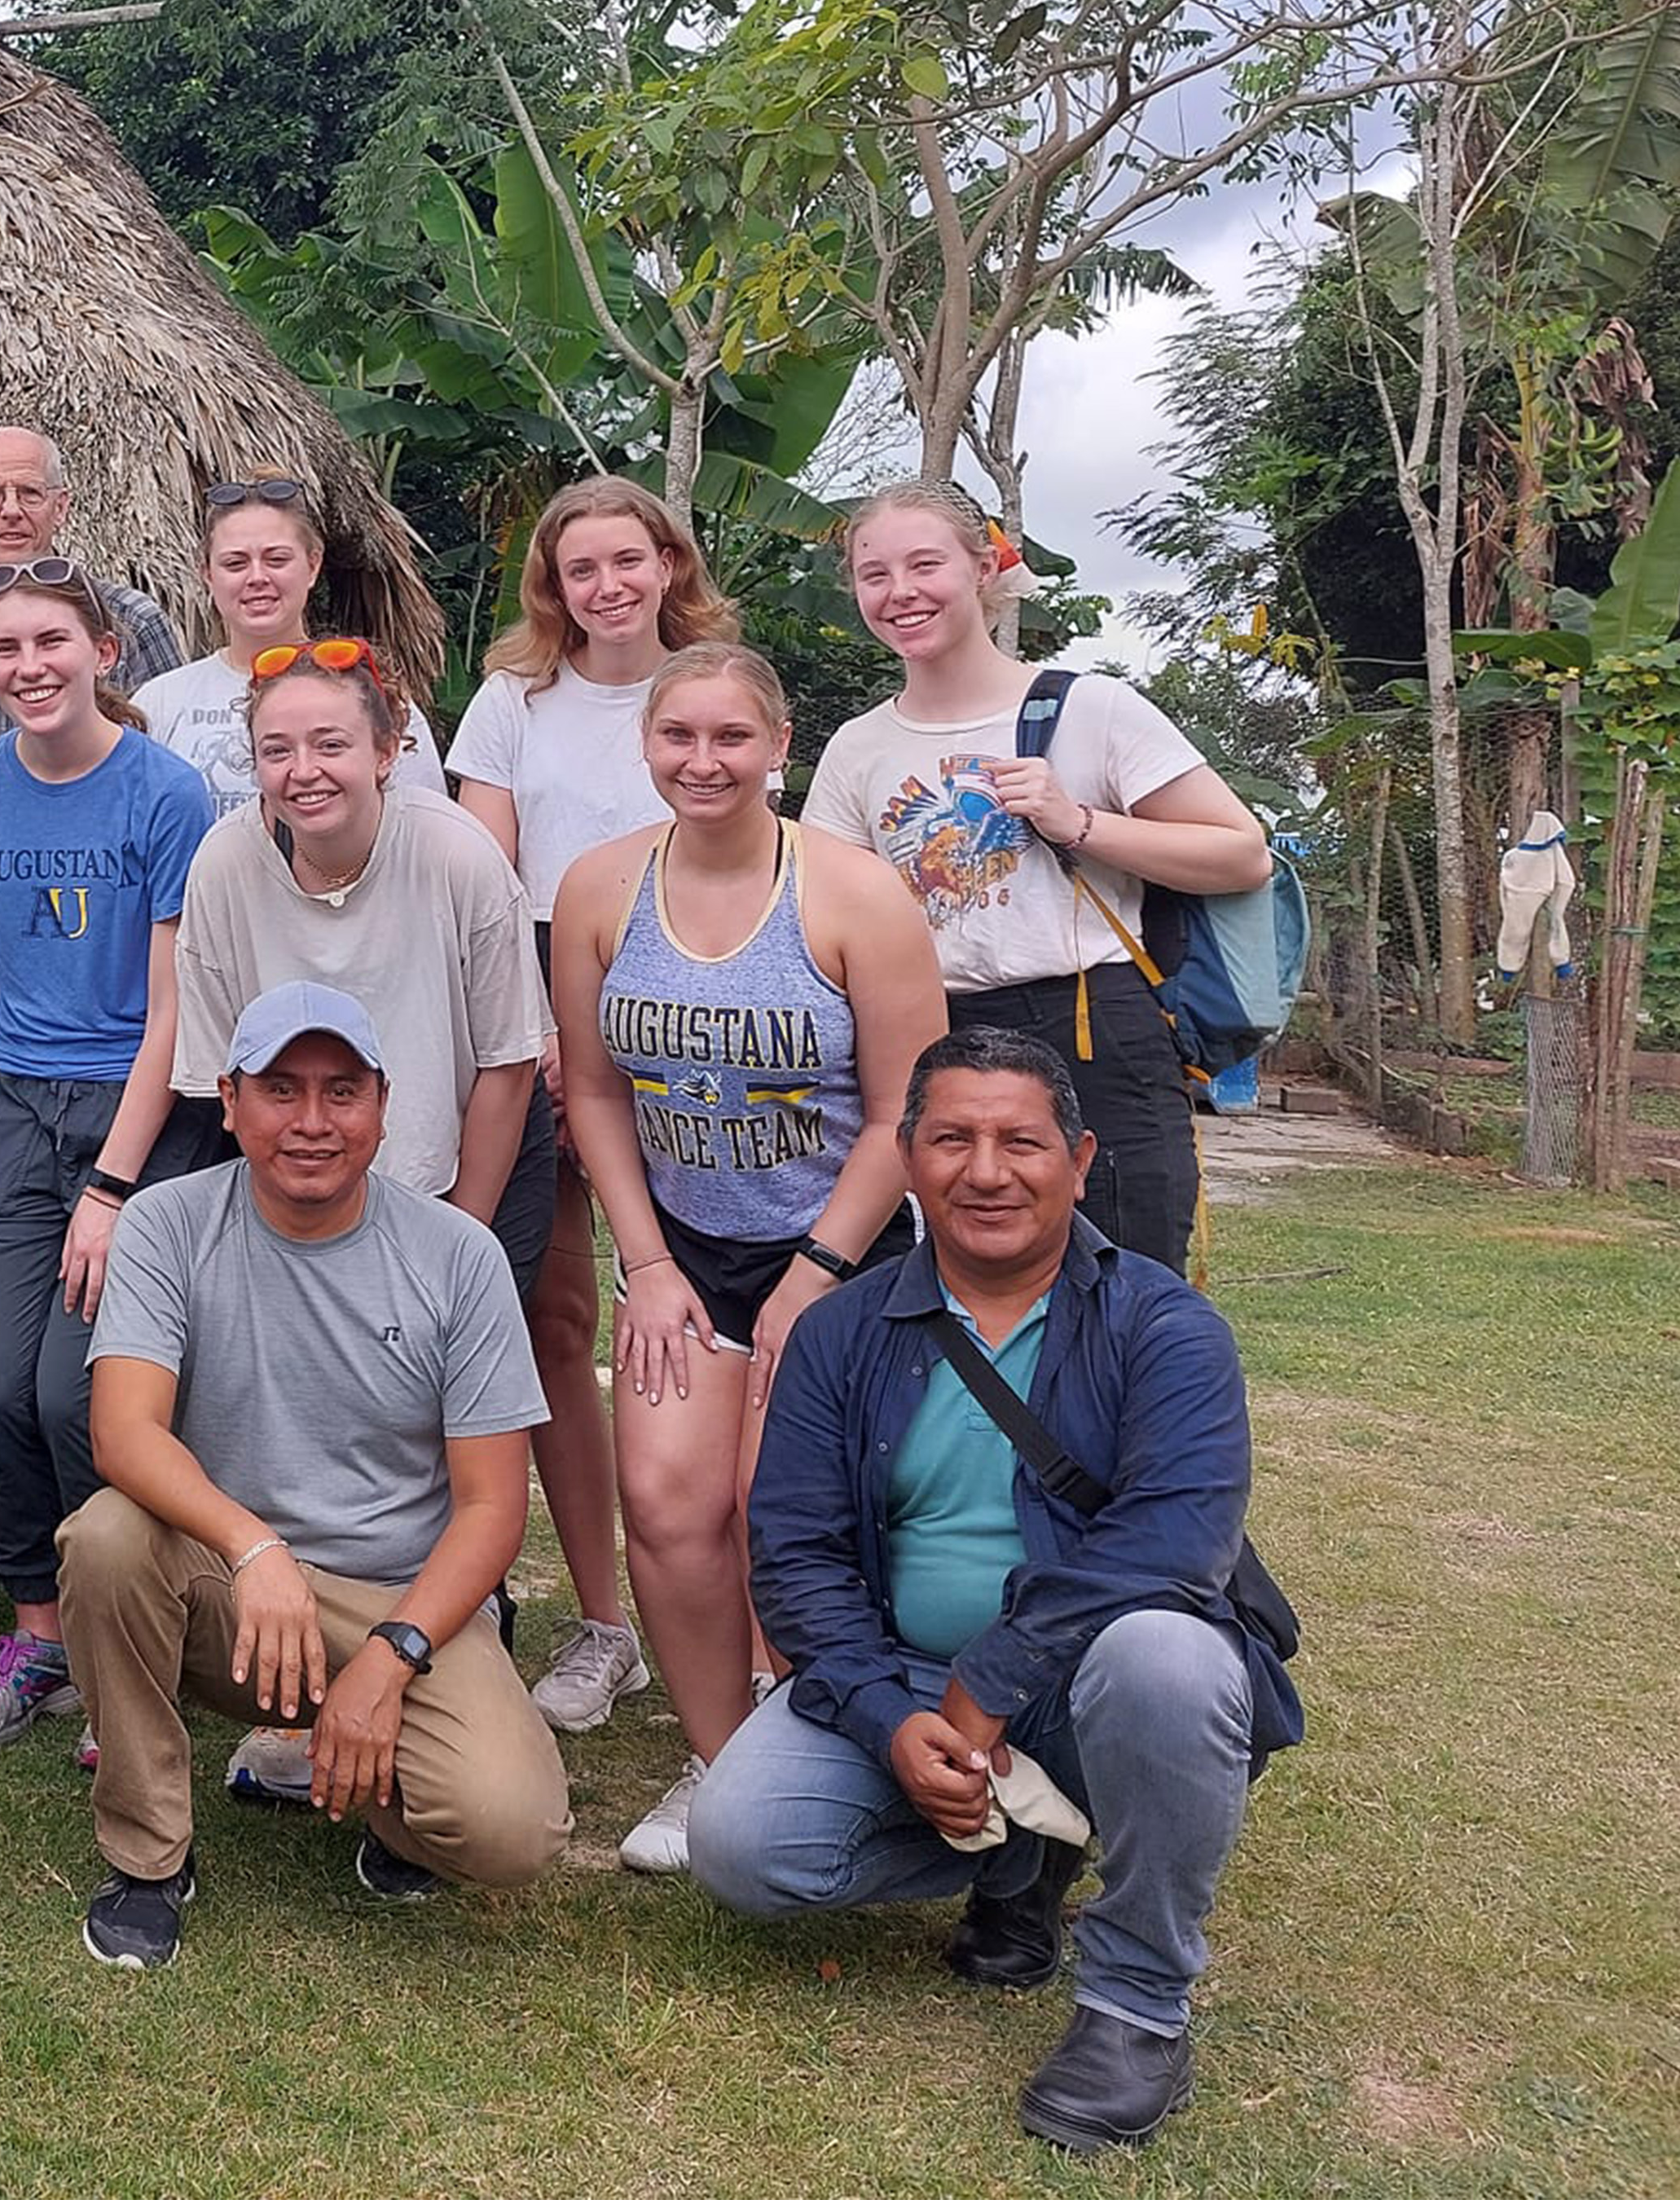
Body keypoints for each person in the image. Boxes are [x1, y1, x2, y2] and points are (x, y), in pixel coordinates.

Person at [691, 1026, 1302, 2154]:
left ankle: (1137, 2008)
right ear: (908, 1158)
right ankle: (1020, 1851)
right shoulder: (839, 1333)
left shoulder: (1164, 1326)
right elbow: (796, 1554)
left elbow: (1174, 1540)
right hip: (907, 1676)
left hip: (1090, 1687)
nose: (986, 1170)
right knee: (742, 1845)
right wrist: (892, 1720)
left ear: (1078, 1160)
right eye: (952, 1140)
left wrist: (989, 1682)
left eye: (1020, 1142)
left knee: (1164, 1660)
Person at [68, 983, 569, 1968]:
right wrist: (255, 1549)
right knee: (106, 1537)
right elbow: (123, 1435)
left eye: (342, 1092)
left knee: (514, 1828)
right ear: (229, 1099)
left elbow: (492, 1508)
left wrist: (387, 1661)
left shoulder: (458, 1256)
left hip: (400, 1598)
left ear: (384, 1105)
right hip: (229, 1587)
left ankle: (381, 1800)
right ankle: (150, 1855)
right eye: (280, 1089)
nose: (310, 1122)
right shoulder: (168, 1224)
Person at [553, 641, 948, 1872]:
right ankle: (720, 1760)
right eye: (680, 738)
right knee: (669, 1506)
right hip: (687, 1251)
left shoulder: (855, 896)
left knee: (776, 1512)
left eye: (733, 739)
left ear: (782, 748)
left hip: (844, 1253)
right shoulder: (599, 890)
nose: (704, 762)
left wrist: (815, 1276)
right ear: (648, 746)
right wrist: (647, 1261)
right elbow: (599, 1094)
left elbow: (906, 1114)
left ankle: (811, 1736)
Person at [164, 639, 544, 1802]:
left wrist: (460, 1236)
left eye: (332, 743)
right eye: (277, 749)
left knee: (434, 1452)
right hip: (288, 1181)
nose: (304, 770)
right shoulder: (226, 861)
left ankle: (442, 1653)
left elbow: (505, 1058)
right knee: (296, 1438)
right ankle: (293, 1695)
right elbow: (222, 1061)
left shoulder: (457, 854)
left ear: (390, 750)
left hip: (441, 1181)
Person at [807, 479, 1272, 1276]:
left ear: (984, 567)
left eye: (926, 565)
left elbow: (1242, 852)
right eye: (874, 574)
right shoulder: (859, 748)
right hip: (929, 1038)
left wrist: (1077, 822)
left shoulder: (1089, 709)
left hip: (1094, 1025)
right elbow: (818, 918)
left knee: (1128, 1294)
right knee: (955, 1301)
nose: (900, 593)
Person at [452, 477, 741, 1738]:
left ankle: (743, 1613)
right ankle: (604, 1621)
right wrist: (553, 1048)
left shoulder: (716, 687)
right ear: (552, 585)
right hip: (536, 1016)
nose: (608, 586)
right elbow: (482, 876)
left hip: (700, 1021)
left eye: (630, 560)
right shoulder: (514, 703)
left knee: (709, 1318)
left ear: (668, 563)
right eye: (582, 569)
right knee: (556, 1319)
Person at [0, 557, 222, 1746]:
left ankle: (121, 1641)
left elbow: (173, 1010)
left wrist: (109, 1184)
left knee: (76, 1391)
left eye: (53, 642)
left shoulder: (167, 792)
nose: (30, 668)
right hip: (15, 1110)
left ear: (106, 651)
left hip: (139, 1111)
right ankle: (39, 1633)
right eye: (5, 649)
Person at [0, 426, 187, 825]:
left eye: (30, 493)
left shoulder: (134, 621)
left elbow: (170, 759)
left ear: (60, 507)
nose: (10, 511)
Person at [124, 479, 449, 819]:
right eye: (235, 564)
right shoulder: (160, 701)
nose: (257, 577)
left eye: (276, 560)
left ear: (312, 566)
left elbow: (423, 823)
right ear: (207, 574)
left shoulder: (369, 691)